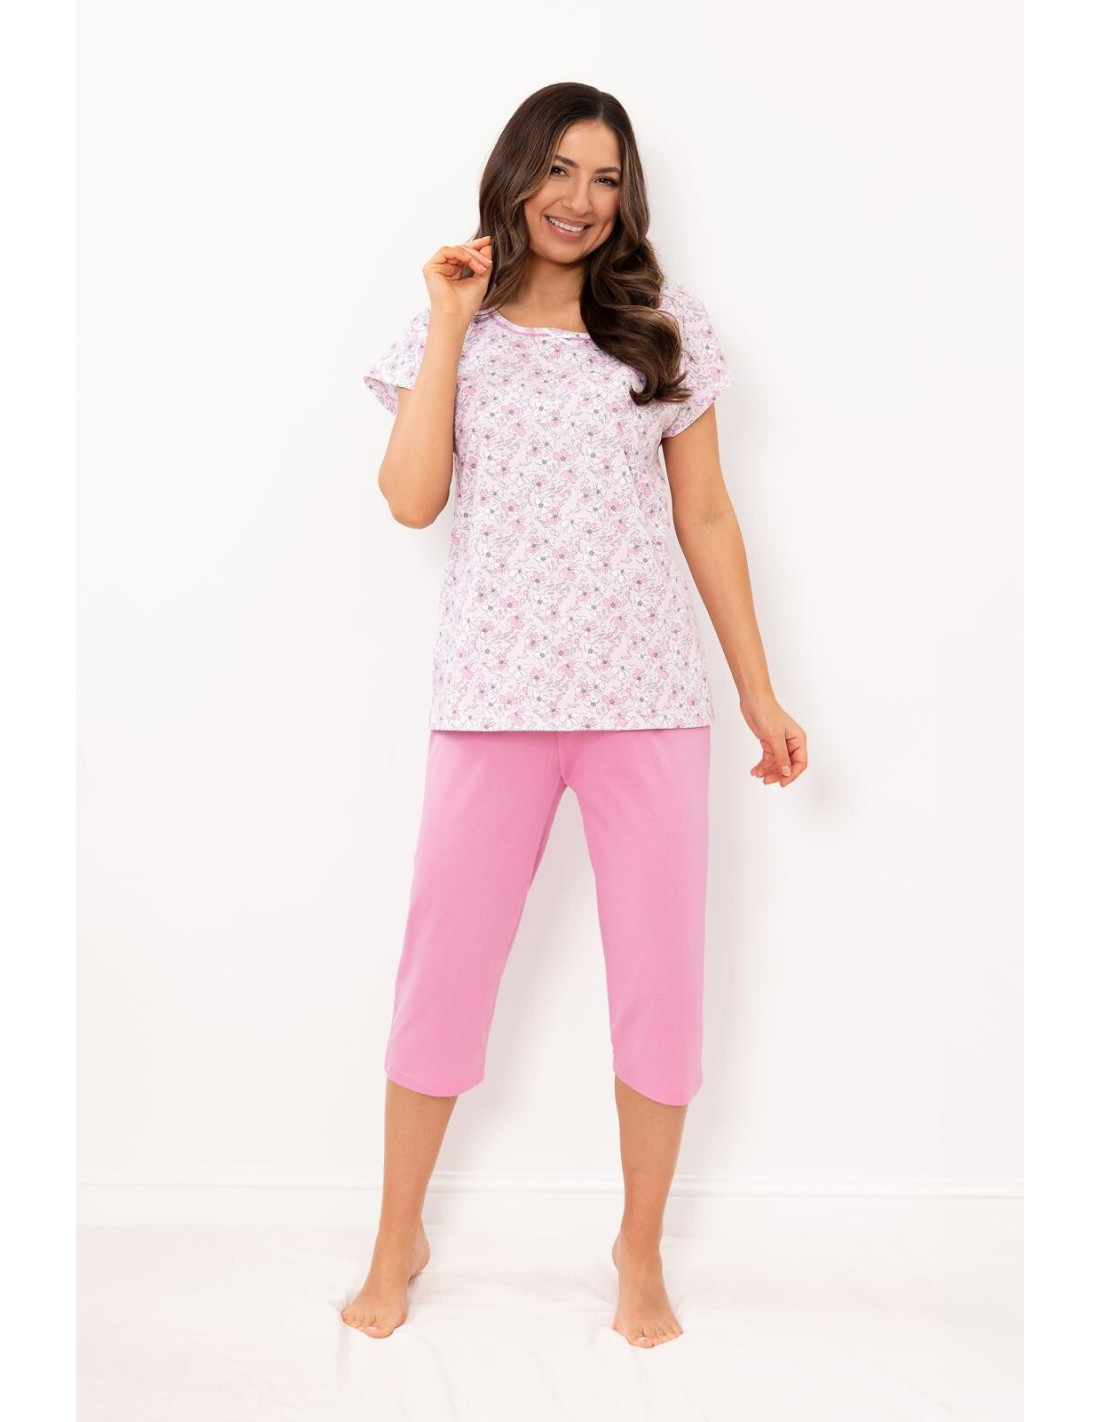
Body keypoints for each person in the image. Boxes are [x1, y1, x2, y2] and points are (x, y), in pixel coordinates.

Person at [343, 81, 807, 1349]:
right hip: (491, 702)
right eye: (557, 170)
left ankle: (637, 1249)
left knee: (657, 984)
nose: (579, 199)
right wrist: (450, 323)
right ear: (515, 174)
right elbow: (410, 500)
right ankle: (395, 1237)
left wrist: (758, 692)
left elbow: (703, 515)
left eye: (604, 178)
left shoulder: (662, 325)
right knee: (441, 978)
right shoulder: (451, 322)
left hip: (644, 700)